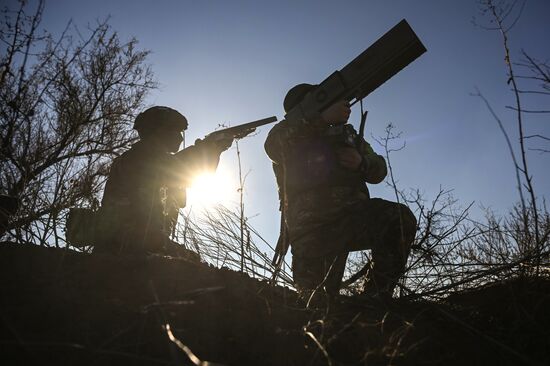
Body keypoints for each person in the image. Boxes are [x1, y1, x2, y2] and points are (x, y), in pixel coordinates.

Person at [265, 84, 417, 299]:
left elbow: (379, 170)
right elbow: (273, 147)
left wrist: (361, 163)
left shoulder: (347, 135)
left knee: (399, 219)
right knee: (314, 300)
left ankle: (374, 299)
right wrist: (321, 119)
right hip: (310, 230)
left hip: (349, 220)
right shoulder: (289, 131)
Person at [95, 106, 233, 259]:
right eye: (175, 131)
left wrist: (210, 148)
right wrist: (210, 148)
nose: (180, 138)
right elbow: (181, 170)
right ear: (158, 132)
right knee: (191, 262)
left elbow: (181, 170)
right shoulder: (143, 157)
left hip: (132, 240)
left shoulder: (138, 156)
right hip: (130, 242)